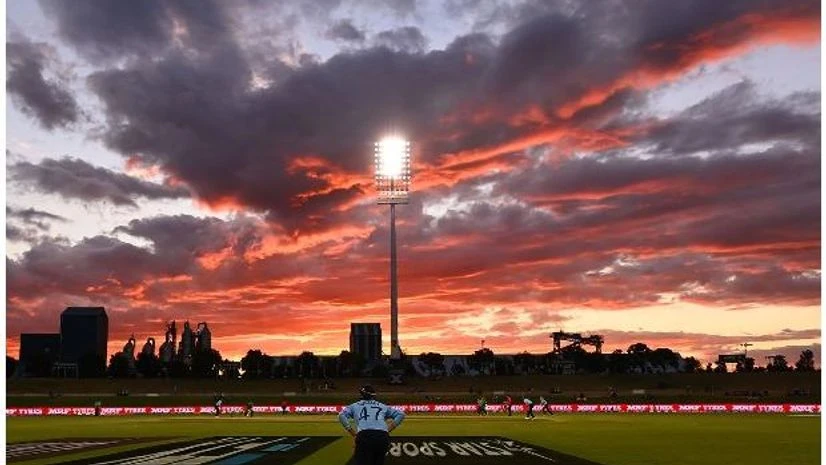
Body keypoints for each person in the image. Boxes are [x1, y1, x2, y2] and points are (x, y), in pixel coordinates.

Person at [339, 385, 405, 465]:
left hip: (364, 435)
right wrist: (388, 429)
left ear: (362, 395)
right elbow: (401, 414)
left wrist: (352, 432)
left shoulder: (355, 406)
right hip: (382, 436)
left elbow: (341, 415)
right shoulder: (382, 406)